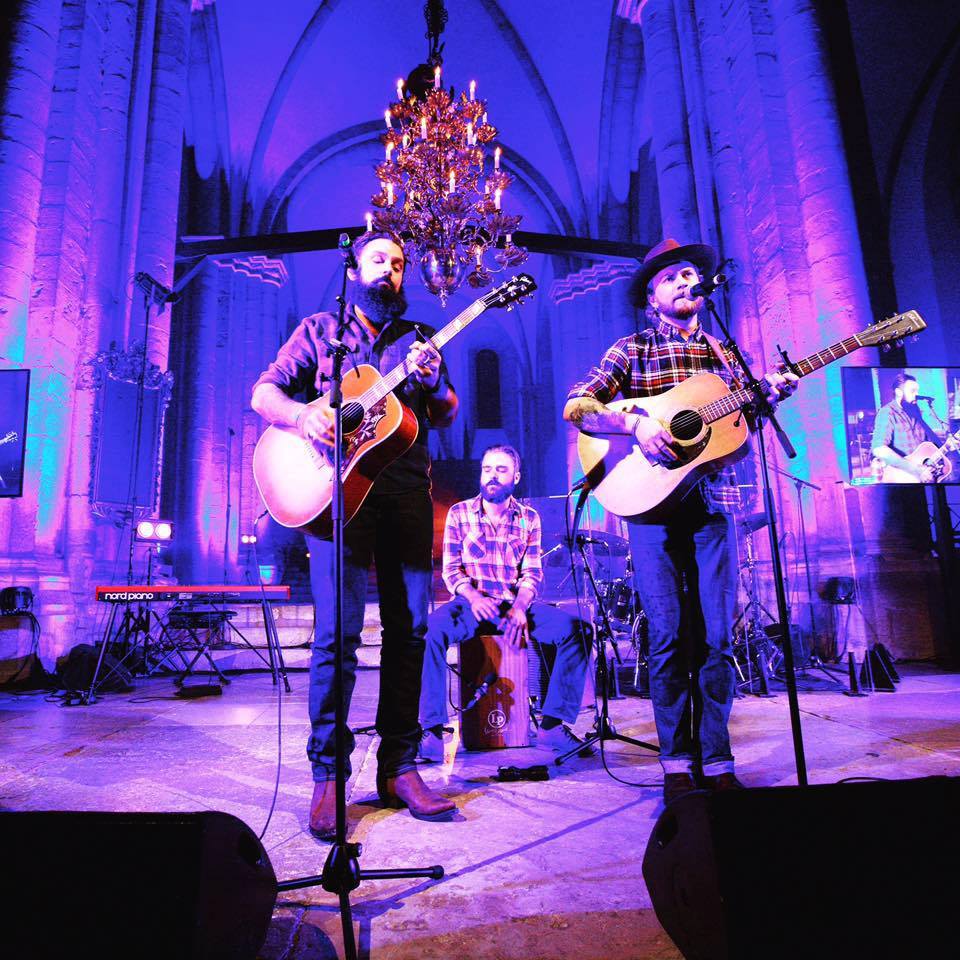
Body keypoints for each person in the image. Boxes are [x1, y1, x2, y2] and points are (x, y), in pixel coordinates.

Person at [562, 238, 798, 803]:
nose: (686, 282)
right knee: (667, 637)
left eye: (691, 274)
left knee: (717, 638)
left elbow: (734, 432)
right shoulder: (632, 349)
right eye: (671, 277)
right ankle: (675, 763)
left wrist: (770, 396)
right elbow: (577, 405)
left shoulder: (725, 356)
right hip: (651, 513)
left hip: (713, 506)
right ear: (652, 298)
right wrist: (636, 424)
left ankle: (716, 759)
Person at [251, 232, 458, 840]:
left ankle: (400, 767)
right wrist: (303, 414)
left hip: (406, 493)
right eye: (378, 260)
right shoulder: (320, 331)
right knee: (337, 637)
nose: (390, 270)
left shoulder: (420, 340)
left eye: (399, 264)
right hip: (336, 494)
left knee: (410, 631)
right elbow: (264, 392)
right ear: (354, 269)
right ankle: (329, 777)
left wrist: (436, 381)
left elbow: (446, 411)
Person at [418, 445, 592, 761]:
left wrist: (521, 607)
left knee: (578, 629)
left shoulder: (529, 518)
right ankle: (431, 732)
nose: (492, 476)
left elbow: (532, 573)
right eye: (487, 469)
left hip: (513, 606)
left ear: (516, 476)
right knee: (429, 631)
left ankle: (552, 726)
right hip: (470, 606)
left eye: (501, 470)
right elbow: (451, 569)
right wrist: (473, 597)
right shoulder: (459, 513)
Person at [871, 373, 945, 482]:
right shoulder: (887, 412)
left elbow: (923, 442)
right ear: (898, 392)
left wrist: (944, 442)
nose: (917, 394)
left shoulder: (915, 411)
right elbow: (879, 449)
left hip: (923, 472)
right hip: (902, 476)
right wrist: (915, 470)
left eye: (917, 391)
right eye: (912, 391)